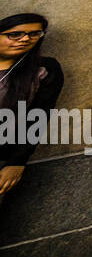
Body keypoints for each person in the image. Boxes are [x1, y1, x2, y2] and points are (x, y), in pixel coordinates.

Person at [0, 14, 65, 196]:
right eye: (15, 34)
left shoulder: (43, 70)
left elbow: (39, 116)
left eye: (34, 34)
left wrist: (17, 161)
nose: (26, 39)